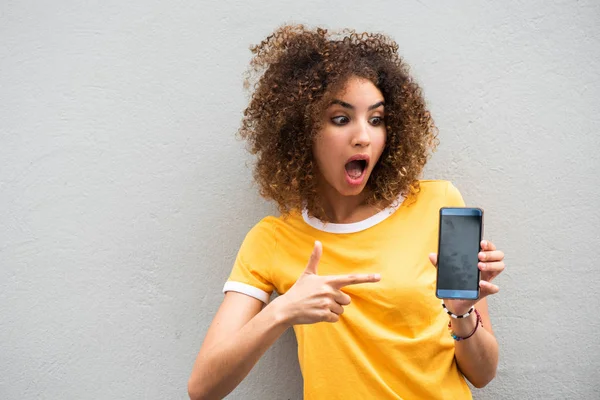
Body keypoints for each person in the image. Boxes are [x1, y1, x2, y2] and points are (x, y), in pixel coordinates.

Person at [188, 24, 505, 400]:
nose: (363, 137)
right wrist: (283, 311)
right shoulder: (272, 239)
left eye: (376, 119)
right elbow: (203, 388)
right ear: (301, 131)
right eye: (341, 119)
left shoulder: (438, 205)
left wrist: (461, 313)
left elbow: (483, 374)